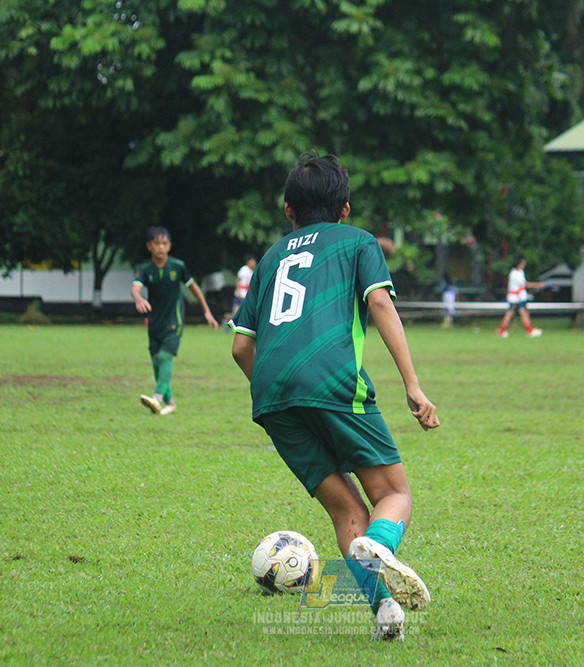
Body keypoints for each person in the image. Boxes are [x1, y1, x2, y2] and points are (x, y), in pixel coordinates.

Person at [230, 153, 439, 641]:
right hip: (333, 381)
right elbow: (380, 302)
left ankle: (385, 612)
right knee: (394, 494)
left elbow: (242, 345)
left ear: (288, 210)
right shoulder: (359, 242)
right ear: (345, 208)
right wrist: (412, 383)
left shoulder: (269, 258)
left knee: (345, 510)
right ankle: (380, 545)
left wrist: (277, 389)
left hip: (271, 395)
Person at [132, 226, 219, 415]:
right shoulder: (145, 269)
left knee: (165, 358)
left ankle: (156, 399)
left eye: (164, 243)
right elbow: (136, 288)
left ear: (169, 246)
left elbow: (194, 288)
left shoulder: (178, 266)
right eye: (157, 244)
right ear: (149, 246)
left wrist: (207, 312)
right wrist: (138, 298)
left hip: (174, 320)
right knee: (157, 364)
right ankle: (170, 403)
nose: (161, 248)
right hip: (154, 322)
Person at [497, 257, 544, 338]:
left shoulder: (520, 272)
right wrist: (538, 284)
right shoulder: (514, 274)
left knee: (522, 313)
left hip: (520, 297)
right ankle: (503, 330)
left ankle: (529, 330)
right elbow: (525, 284)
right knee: (512, 313)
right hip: (515, 298)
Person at [228, 253, 257, 324]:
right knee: (241, 309)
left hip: (245, 292)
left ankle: (228, 319)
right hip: (242, 292)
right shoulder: (244, 270)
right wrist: (239, 291)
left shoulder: (250, 271)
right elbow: (238, 280)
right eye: (252, 261)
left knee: (237, 309)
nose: (254, 263)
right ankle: (228, 319)